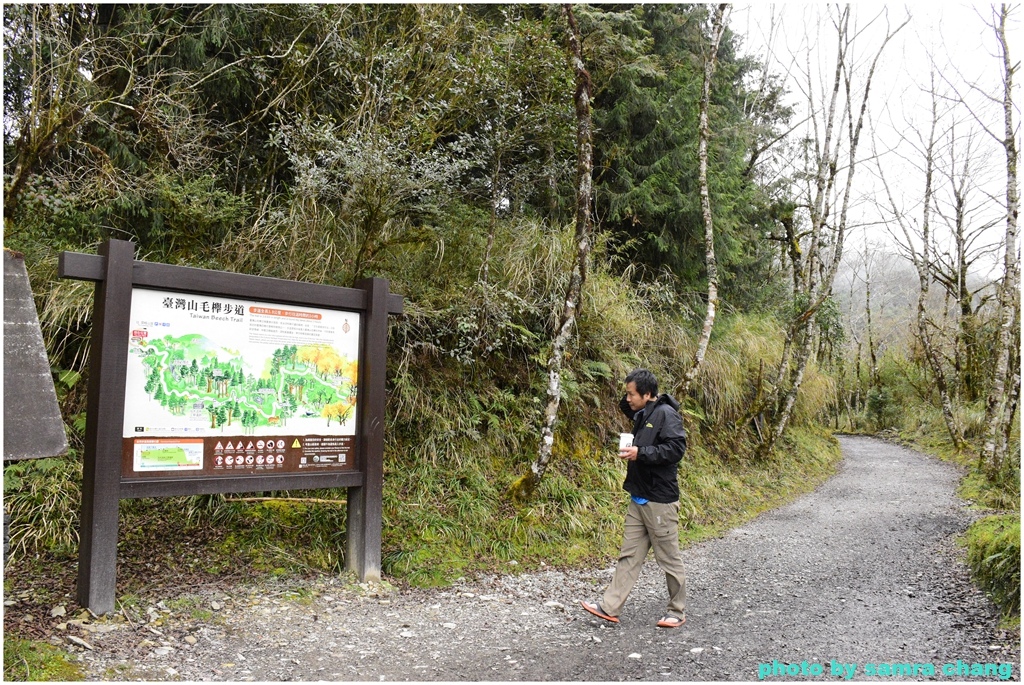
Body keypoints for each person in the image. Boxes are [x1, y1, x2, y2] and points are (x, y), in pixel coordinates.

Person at [581, 368, 688, 628]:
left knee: (668, 558)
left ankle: (676, 611)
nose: (627, 398)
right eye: (627, 393)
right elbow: (626, 407)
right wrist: (630, 389)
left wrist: (641, 453)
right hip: (638, 497)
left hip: (659, 500)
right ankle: (609, 607)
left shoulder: (666, 414)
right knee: (629, 555)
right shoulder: (643, 412)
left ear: (648, 394)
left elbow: (676, 449)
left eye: (631, 394)